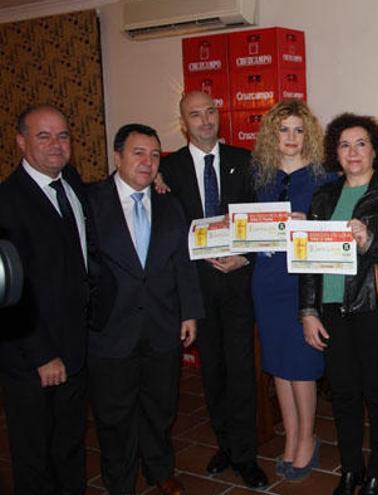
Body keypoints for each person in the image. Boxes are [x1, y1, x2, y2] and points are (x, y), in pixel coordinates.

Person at [300, 113, 378, 495]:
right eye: (345, 144)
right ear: (335, 151)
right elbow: (308, 264)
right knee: (344, 395)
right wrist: (308, 311)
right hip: (332, 310)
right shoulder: (323, 196)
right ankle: (350, 469)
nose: (353, 151)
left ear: (375, 149)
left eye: (361, 143)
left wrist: (369, 242)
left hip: (373, 308)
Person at [158, 91, 267, 488]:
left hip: (238, 284)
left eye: (210, 112)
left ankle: (245, 454)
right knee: (213, 374)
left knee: (241, 372)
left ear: (218, 116)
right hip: (195, 289)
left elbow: (261, 222)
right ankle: (224, 444)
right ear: (183, 122)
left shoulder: (246, 161)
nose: (205, 120)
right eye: (195, 115)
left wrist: (247, 257)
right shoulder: (167, 170)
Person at [87, 124, 203, 495]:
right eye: (138, 153)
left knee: (160, 405)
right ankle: (120, 482)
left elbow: (182, 262)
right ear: (117, 157)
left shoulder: (170, 202)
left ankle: (159, 468)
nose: (148, 162)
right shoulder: (89, 201)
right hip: (110, 327)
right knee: (114, 414)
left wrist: (189, 312)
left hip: (162, 324)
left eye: (155, 156)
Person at [0, 105, 95, 495]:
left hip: (74, 346)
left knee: (70, 445)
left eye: (63, 136)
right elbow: (7, 291)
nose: (56, 145)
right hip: (32, 357)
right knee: (34, 455)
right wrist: (41, 354)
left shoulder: (70, 180)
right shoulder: (7, 201)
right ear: (21, 141)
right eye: (44, 136)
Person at [250, 99, 334, 480]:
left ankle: (307, 437)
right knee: (279, 367)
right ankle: (291, 436)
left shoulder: (324, 178)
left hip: (303, 283)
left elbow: (338, 233)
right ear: (272, 133)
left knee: (301, 365)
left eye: (299, 130)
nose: (291, 137)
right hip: (267, 281)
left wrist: (309, 224)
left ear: (309, 135)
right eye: (284, 129)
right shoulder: (258, 175)